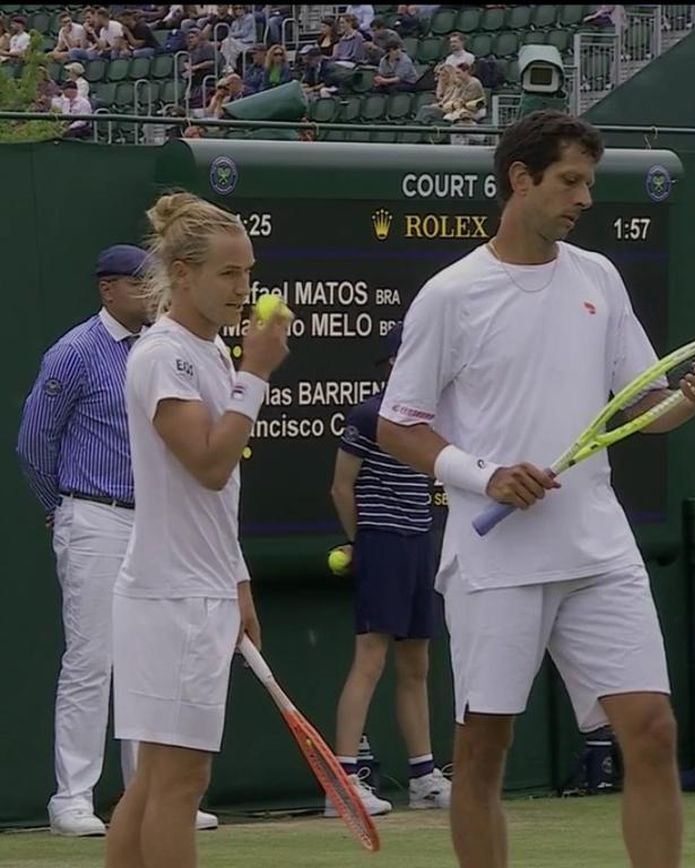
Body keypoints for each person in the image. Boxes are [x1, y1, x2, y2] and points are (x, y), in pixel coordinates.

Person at [375, 110, 695, 868]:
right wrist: (485, 474)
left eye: (588, 184)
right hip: (495, 561)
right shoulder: (450, 294)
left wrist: (688, 401)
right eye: (570, 182)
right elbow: (398, 426)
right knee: (483, 750)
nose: (584, 199)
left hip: (597, 547)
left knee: (654, 732)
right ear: (520, 180)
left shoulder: (599, 277)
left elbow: (642, 409)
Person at [104, 192, 290, 868]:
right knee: (179, 784)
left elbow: (213, 500)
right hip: (171, 599)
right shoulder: (164, 357)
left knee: (159, 779)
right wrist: (258, 375)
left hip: (199, 592)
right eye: (228, 274)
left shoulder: (209, 354)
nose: (244, 290)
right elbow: (210, 464)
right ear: (182, 274)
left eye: (248, 274)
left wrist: (236, 582)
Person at [17, 246, 153, 837]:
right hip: (93, 517)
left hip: (152, 523)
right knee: (91, 659)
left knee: (147, 662)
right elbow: (33, 441)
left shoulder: (159, 351)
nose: (153, 295)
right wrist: (61, 507)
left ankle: (148, 799)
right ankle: (71, 798)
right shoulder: (73, 353)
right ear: (109, 290)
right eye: (141, 285)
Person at [327, 323, 452, 818]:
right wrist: (362, 544)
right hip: (380, 543)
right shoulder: (368, 415)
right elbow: (341, 488)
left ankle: (423, 777)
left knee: (417, 663)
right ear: (394, 365)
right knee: (370, 659)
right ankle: (342, 782)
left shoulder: (431, 422)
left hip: (419, 543)